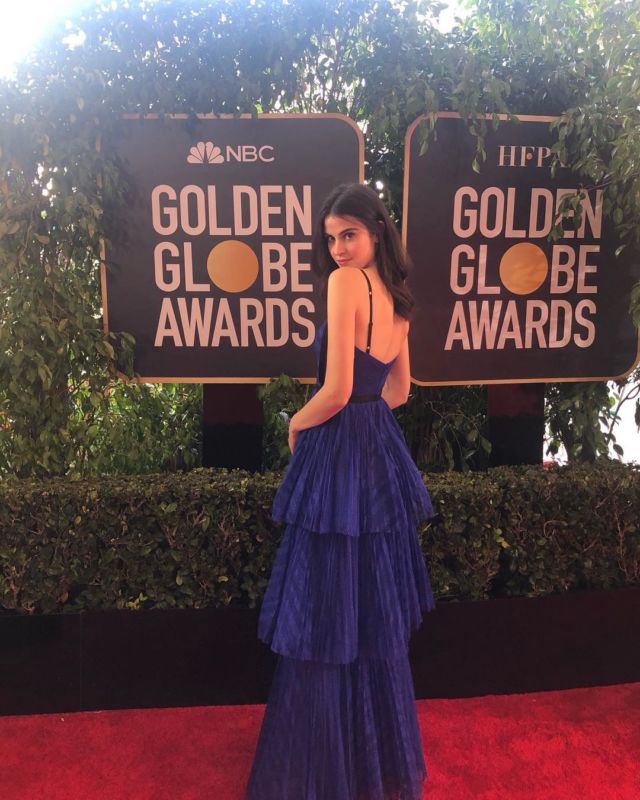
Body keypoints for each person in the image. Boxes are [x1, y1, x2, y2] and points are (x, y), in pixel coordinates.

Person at [245, 183, 436, 800]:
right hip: (375, 448)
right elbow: (399, 391)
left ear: (376, 230)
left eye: (347, 234)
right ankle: (373, 767)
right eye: (330, 239)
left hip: (335, 446)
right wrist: (365, 418)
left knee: (325, 607)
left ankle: (321, 771)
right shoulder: (400, 299)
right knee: (370, 612)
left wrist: (296, 425)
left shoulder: (345, 284)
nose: (337, 249)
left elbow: (333, 388)